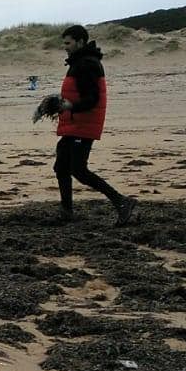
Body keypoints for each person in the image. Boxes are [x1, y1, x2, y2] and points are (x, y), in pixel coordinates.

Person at [53, 25, 135, 227]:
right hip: (75, 123)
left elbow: (92, 98)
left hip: (83, 124)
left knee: (79, 170)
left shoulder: (87, 64)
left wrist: (70, 106)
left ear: (80, 42)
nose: (65, 47)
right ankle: (67, 211)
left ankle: (122, 202)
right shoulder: (78, 62)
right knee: (61, 165)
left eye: (68, 43)